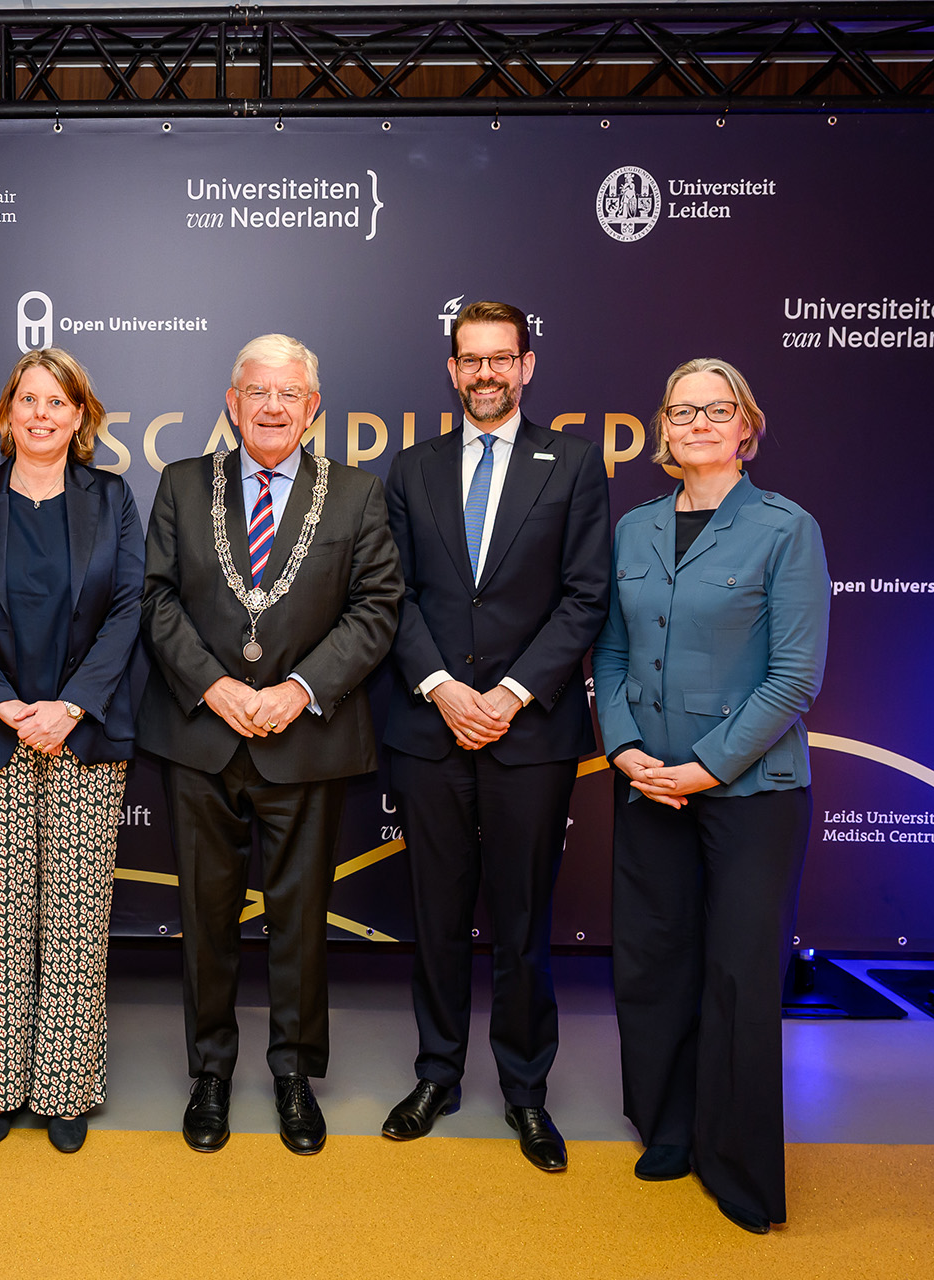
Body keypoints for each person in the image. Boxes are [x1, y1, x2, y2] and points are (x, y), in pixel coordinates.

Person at [139, 333, 401, 1156]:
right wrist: (215, 687)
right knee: (205, 918)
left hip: (307, 738)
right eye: (258, 392)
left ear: (313, 408)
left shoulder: (356, 494)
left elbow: (377, 607)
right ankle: (211, 1073)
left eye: (290, 394)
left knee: (299, 920)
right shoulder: (183, 484)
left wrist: (297, 690)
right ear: (233, 401)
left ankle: (293, 1073)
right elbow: (156, 600)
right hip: (201, 737)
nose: (274, 407)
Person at [593, 357, 829, 1234]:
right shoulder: (636, 528)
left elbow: (795, 678)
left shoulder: (785, 529)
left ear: (746, 427)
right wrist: (624, 750)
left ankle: (737, 1165)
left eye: (716, 409)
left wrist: (705, 767)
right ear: (663, 427)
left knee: (738, 976)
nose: (697, 423)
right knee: (653, 963)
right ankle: (668, 1129)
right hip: (646, 784)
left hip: (750, 794)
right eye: (682, 410)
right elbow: (610, 653)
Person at [378, 300, 611, 1171]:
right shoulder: (413, 468)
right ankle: (436, 1074)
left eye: (500, 359)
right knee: (436, 918)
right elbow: (392, 594)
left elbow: (586, 595)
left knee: (521, 923)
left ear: (526, 366)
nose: (485, 373)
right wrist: (443, 689)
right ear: (451, 370)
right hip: (431, 727)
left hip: (531, 732)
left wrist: (508, 695)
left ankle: (525, 1092)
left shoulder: (574, 464)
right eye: (470, 359)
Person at [0, 348, 144, 1155]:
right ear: (7, 412)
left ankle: (63, 1089)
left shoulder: (111, 498)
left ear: (80, 416)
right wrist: (3, 702)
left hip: (83, 733)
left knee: (77, 920)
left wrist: (71, 705)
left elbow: (129, 606)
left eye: (58, 401)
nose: (41, 414)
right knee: (1, 916)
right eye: (28, 399)